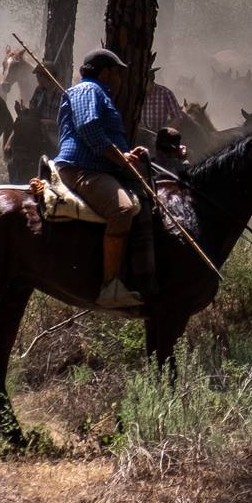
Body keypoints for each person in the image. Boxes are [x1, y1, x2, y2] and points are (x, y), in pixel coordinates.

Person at [54, 48, 150, 309]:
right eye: (117, 73)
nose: (119, 79)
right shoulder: (89, 89)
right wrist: (121, 158)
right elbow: (89, 129)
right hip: (83, 169)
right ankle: (111, 287)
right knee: (123, 209)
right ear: (106, 73)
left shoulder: (96, 92)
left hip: (95, 168)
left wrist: (127, 155)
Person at [140, 70, 183, 135]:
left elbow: (177, 117)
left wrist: (163, 132)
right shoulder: (135, 94)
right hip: (140, 134)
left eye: (145, 81)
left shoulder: (165, 93)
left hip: (160, 134)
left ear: (151, 81)